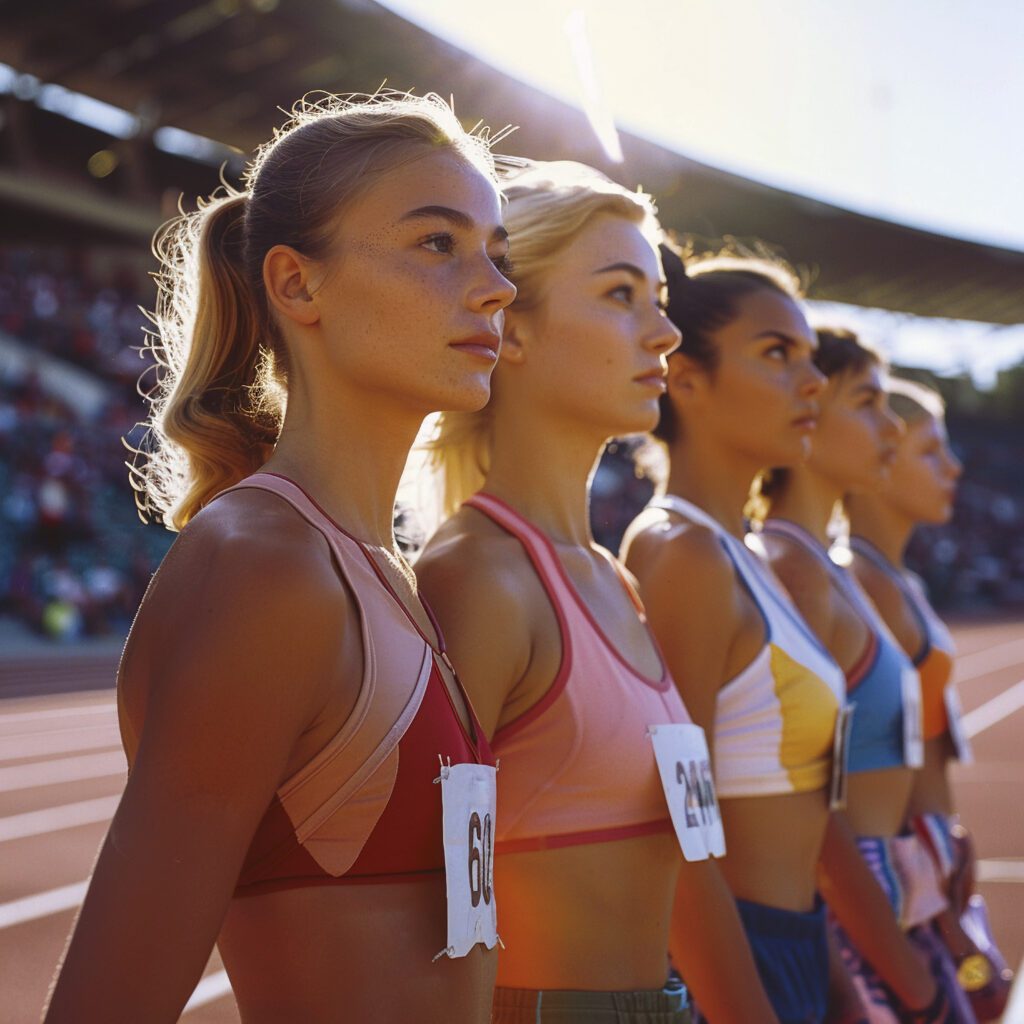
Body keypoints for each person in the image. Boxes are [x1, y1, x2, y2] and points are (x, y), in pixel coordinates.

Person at [43, 90, 517, 1024]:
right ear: (298, 285)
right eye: (438, 243)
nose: (497, 285)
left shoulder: (383, 567)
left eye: (497, 252)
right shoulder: (267, 565)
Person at [416, 161, 778, 1024]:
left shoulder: (613, 578)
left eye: (658, 298)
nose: (664, 334)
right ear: (513, 326)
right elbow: (433, 914)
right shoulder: (476, 578)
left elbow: (686, 856)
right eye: (623, 295)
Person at [623, 254, 940, 1024]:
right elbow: (676, 828)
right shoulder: (682, 554)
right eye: (777, 354)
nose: (810, 382)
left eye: (808, 357)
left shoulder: (744, 556)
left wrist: (838, 988)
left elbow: (802, 814)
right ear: (685, 378)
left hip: (793, 946)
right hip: (732, 964)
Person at [757, 328, 970, 1022]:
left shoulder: (821, 569)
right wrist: (904, 974)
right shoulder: (797, 571)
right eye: (868, 404)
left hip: (895, 890)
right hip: (855, 916)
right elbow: (812, 808)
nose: (888, 427)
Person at [843, 378, 1012, 1021]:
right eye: (929, 452)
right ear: (879, 459)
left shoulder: (899, 579)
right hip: (903, 870)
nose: (954, 468)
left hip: (933, 857)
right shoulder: (862, 581)